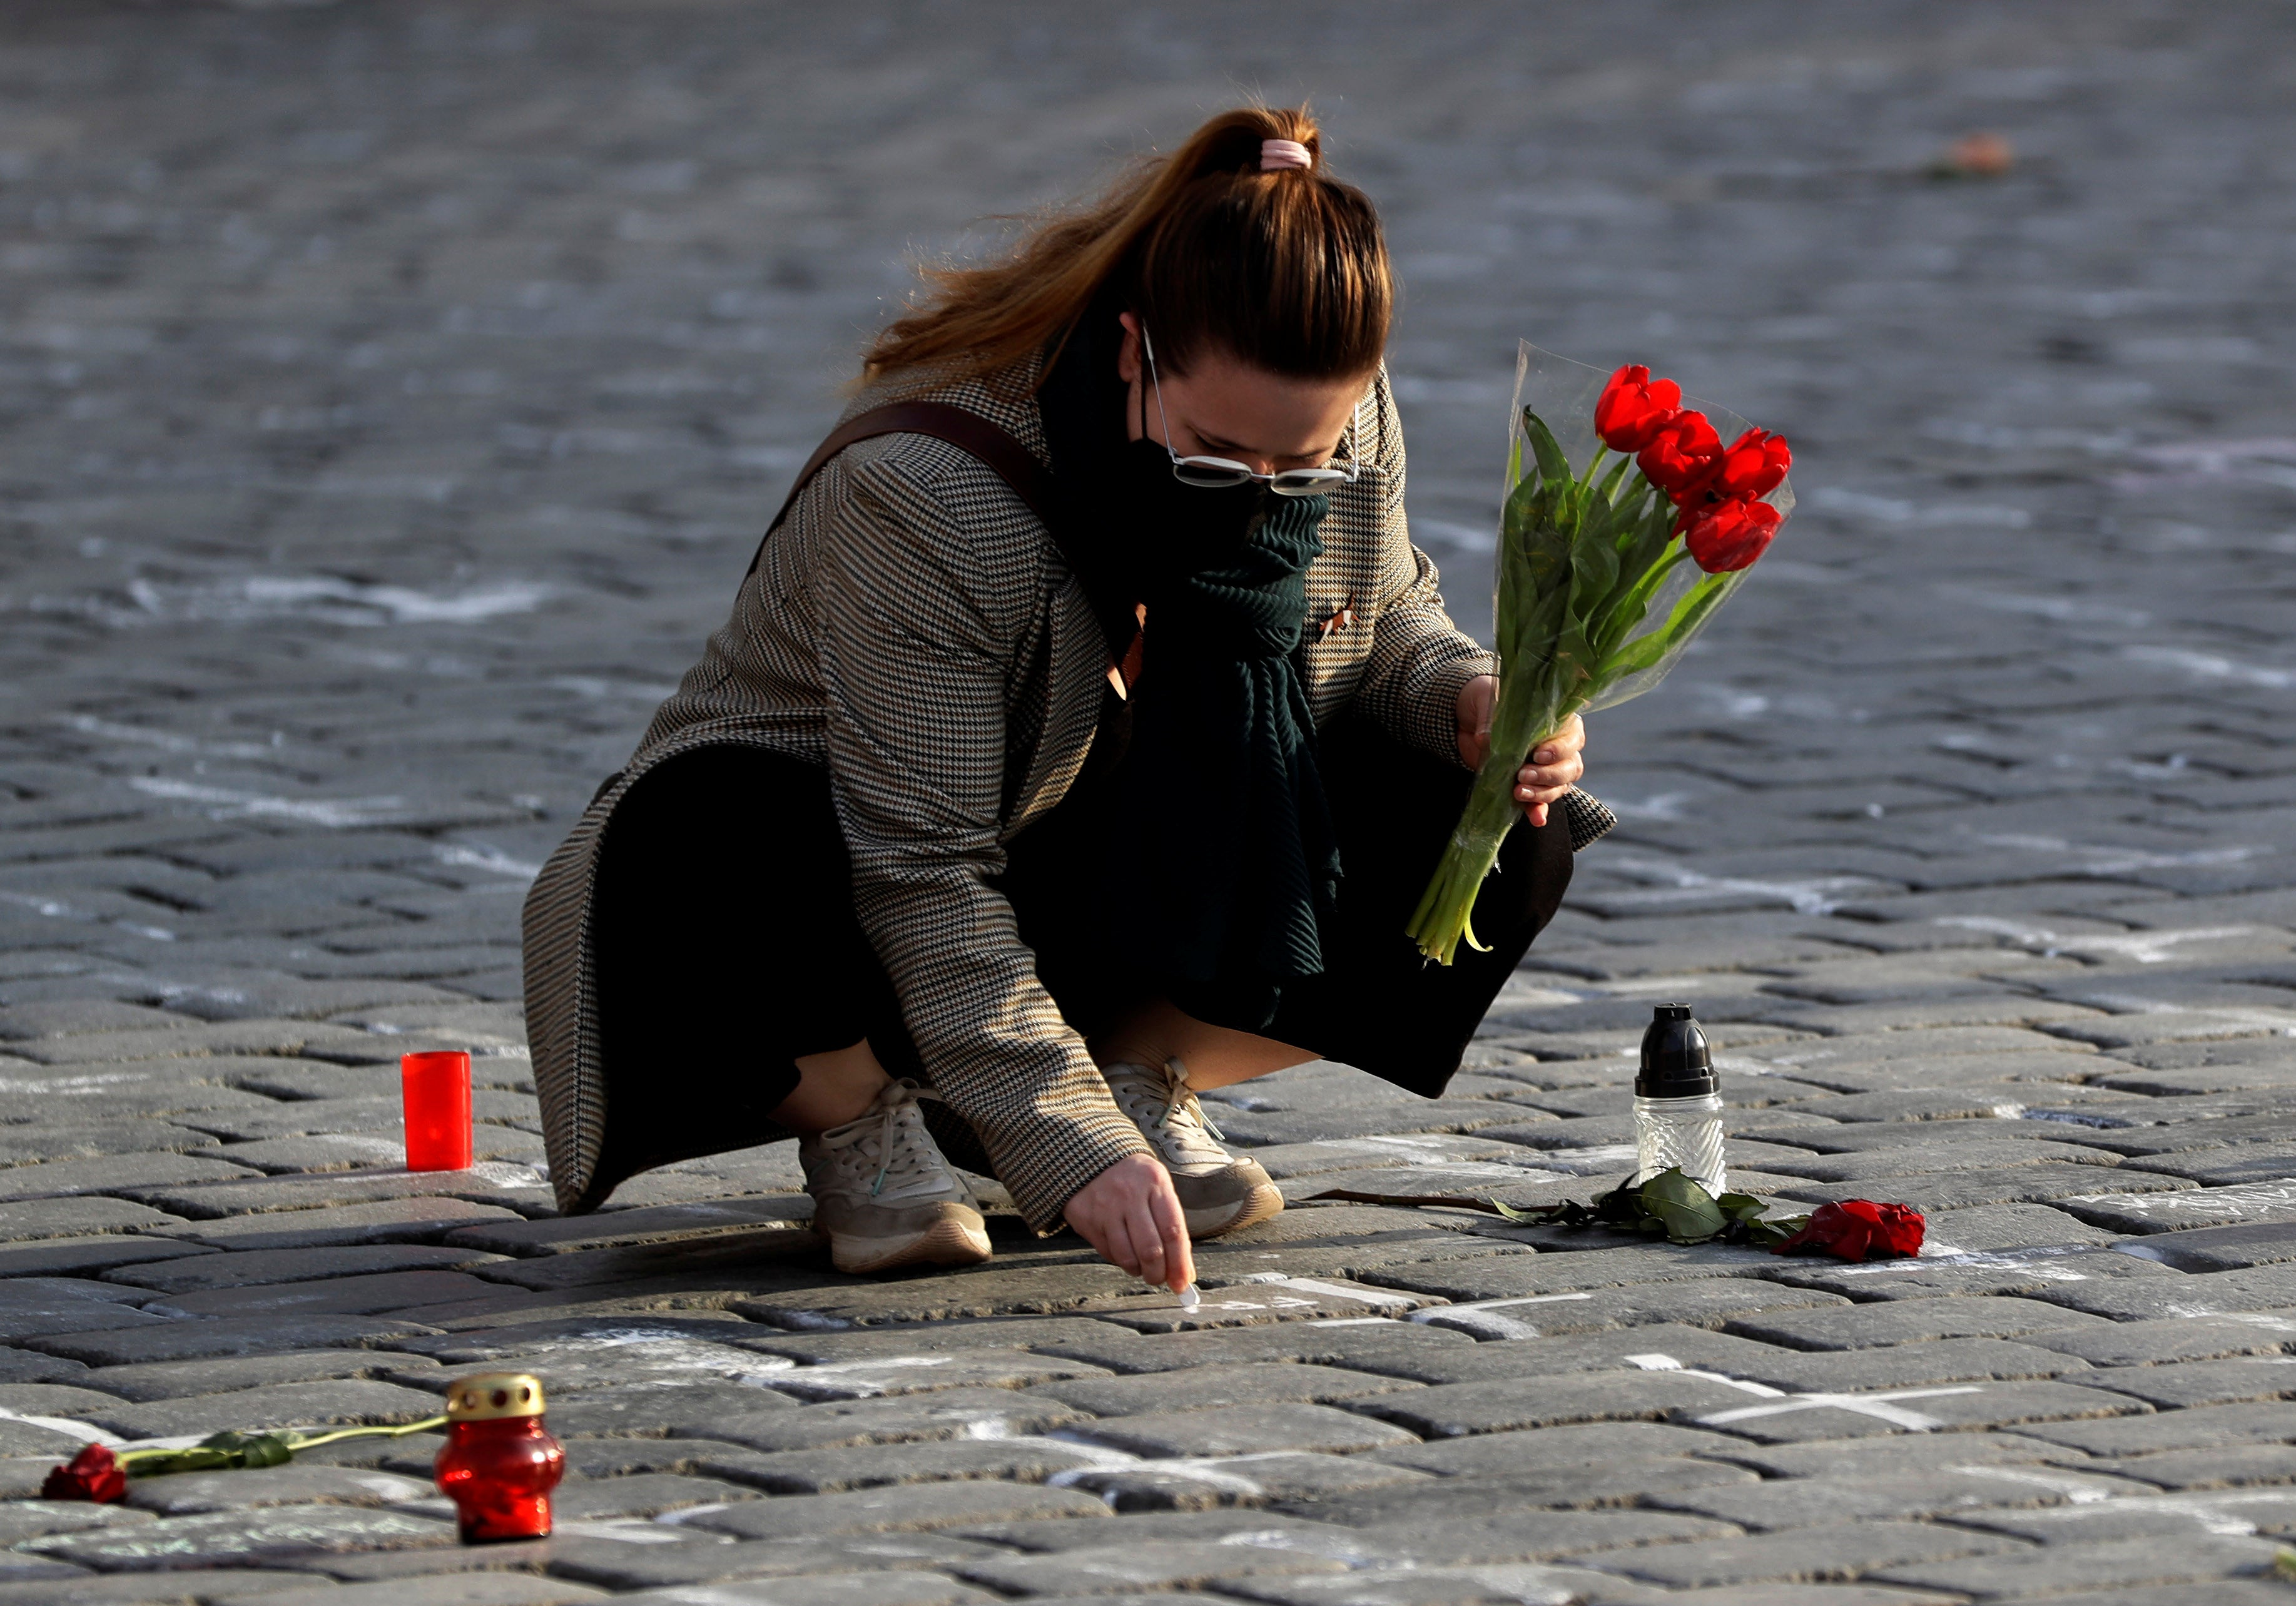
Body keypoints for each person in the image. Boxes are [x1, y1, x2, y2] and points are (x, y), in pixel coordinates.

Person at [519, 106, 1601, 1292]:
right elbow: (918, 860)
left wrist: (1473, 698)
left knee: (1501, 831)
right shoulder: (929, 493)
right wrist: (1066, 1145)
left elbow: (1387, 619)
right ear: (1134, 349)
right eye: (1214, 456)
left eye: (1303, 465)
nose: (1261, 495)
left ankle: (1130, 1067)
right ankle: (865, 1115)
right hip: (818, 899)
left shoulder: (1328, 411)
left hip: (1073, 843)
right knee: (720, 824)